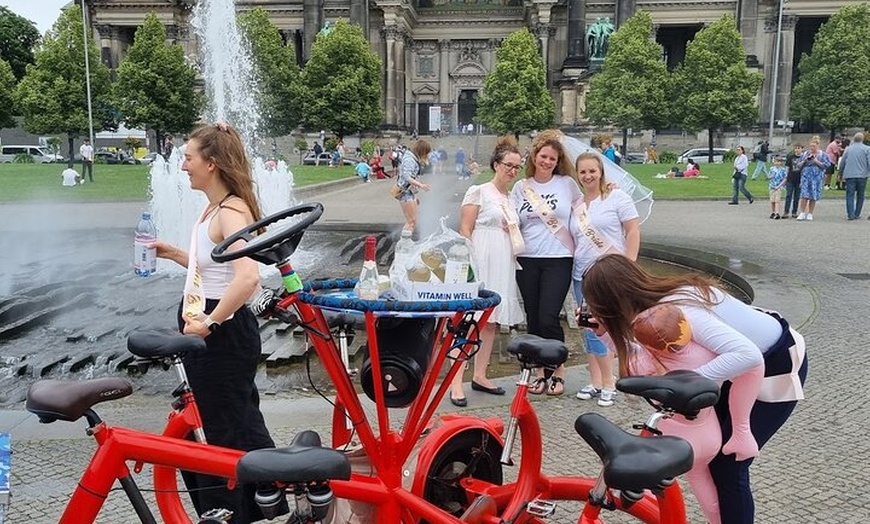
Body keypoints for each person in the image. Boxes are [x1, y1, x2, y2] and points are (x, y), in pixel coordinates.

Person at [582, 254, 807, 524]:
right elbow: (648, 358)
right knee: (713, 456)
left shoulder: (681, 309)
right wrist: (605, 332)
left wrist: (688, 383)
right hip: (737, 366)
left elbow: (747, 356)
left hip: (777, 363)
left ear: (611, 303)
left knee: (728, 464)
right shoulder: (653, 309)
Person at [149, 123, 278, 524]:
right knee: (225, 420)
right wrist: (178, 256)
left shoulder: (232, 212)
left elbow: (248, 278)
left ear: (213, 163)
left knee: (221, 429)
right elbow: (217, 270)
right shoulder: (214, 209)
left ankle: (235, 512)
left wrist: (208, 322)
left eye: (189, 157)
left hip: (221, 337)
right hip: (214, 334)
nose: (182, 165)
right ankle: (265, 499)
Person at [448, 136, 526, 407]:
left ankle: (480, 374)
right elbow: (465, 228)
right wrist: (471, 263)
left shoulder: (510, 197)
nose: (513, 171)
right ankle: (456, 380)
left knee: (491, 320)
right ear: (496, 164)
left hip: (503, 257)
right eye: (509, 165)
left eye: (518, 166)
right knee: (469, 319)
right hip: (481, 255)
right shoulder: (478, 191)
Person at [510, 130, 581, 396]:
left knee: (549, 316)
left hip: (558, 258)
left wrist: (610, 189)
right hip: (527, 259)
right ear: (535, 157)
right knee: (533, 317)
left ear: (557, 160)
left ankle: (558, 369)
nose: (547, 161)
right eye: (543, 156)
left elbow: (586, 211)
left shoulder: (567, 184)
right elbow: (511, 219)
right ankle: (540, 371)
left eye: (552, 158)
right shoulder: (521, 187)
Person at [570, 152, 639, 407]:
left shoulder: (616, 197)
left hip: (609, 274)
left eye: (592, 171)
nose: (588, 176)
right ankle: (596, 381)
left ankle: (610, 382)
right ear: (577, 175)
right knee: (588, 326)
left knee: (606, 327)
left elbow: (632, 230)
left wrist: (629, 264)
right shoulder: (577, 204)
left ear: (601, 172)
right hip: (581, 274)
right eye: (583, 172)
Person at [396, 140, 432, 234]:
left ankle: (405, 241)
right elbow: (406, 177)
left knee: (412, 221)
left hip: (408, 192)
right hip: (405, 193)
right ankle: (404, 243)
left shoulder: (411, 158)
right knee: (411, 222)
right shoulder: (410, 160)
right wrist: (421, 185)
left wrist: (415, 196)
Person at [794, 138, 831, 221]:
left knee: (813, 196)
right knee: (804, 195)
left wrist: (815, 160)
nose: (812, 148)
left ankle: (810, 213)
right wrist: (805, 161)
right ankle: (802, 212)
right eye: (811, 146)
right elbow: (798, 165)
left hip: (816, 177)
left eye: (813, 146)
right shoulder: (805, 154)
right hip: (806, 177)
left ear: (818, 146)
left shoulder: (822, 154)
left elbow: (826, 165)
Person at [839, 132, 870, 220]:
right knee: (861, 194)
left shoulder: (848, 149)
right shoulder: (867, 149)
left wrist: (840, 173)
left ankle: (850, 214)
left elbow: (843, 162)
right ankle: (857, 213)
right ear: (862, 139)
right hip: (862, 175)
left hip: (850, 174)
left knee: (850, 195)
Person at [782, 144, 803, 219]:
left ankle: (794, 212)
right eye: (796, 148)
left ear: (801, 149)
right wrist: (786, 177)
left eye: (799, 148)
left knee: (797, 196)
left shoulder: (803, 158)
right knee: (789, 195)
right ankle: (786, 211)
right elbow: (787, 167)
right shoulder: (790, 157)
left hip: (799, 179)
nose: (797, 150)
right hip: (790, 178)